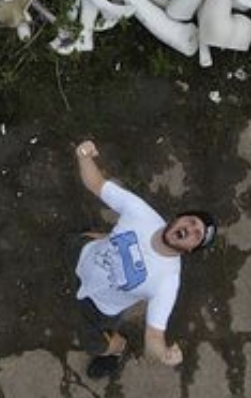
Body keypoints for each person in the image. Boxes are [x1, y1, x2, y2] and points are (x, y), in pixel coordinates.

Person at [69, 138, 216, 379]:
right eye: (191, 222)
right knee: (77, 241)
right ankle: (98, 237)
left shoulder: (167, 282)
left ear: (189, 250)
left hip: (99, 308)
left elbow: (154, 337)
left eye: (196, 235)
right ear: (179, 218)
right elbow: (96, 183)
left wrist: (162, 355)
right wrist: (84, 157)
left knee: (92, 341)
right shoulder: (141, 213)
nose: (190, 229)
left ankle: (117, 349)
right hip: (83, 254)